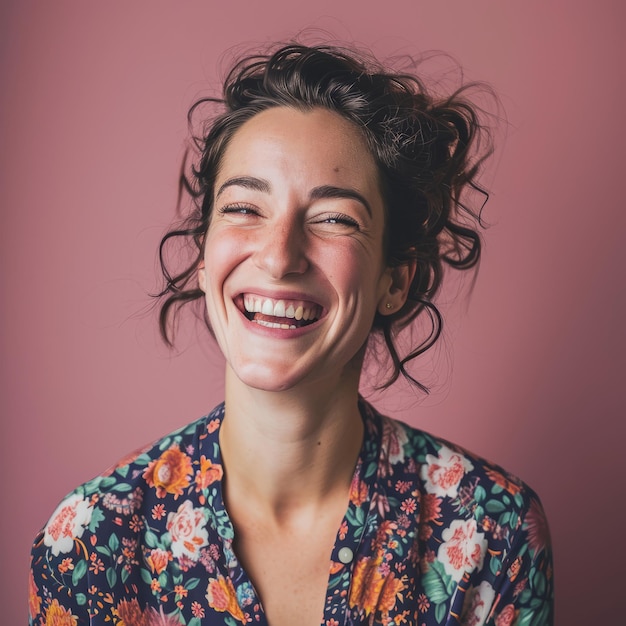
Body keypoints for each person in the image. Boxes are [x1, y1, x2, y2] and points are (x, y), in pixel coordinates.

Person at [29, 44, 553, 626]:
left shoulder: (491, 531)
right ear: (203, 258)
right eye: (244, 208)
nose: (279, 258)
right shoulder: (90, 540)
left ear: (393, 281)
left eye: (334, 218)